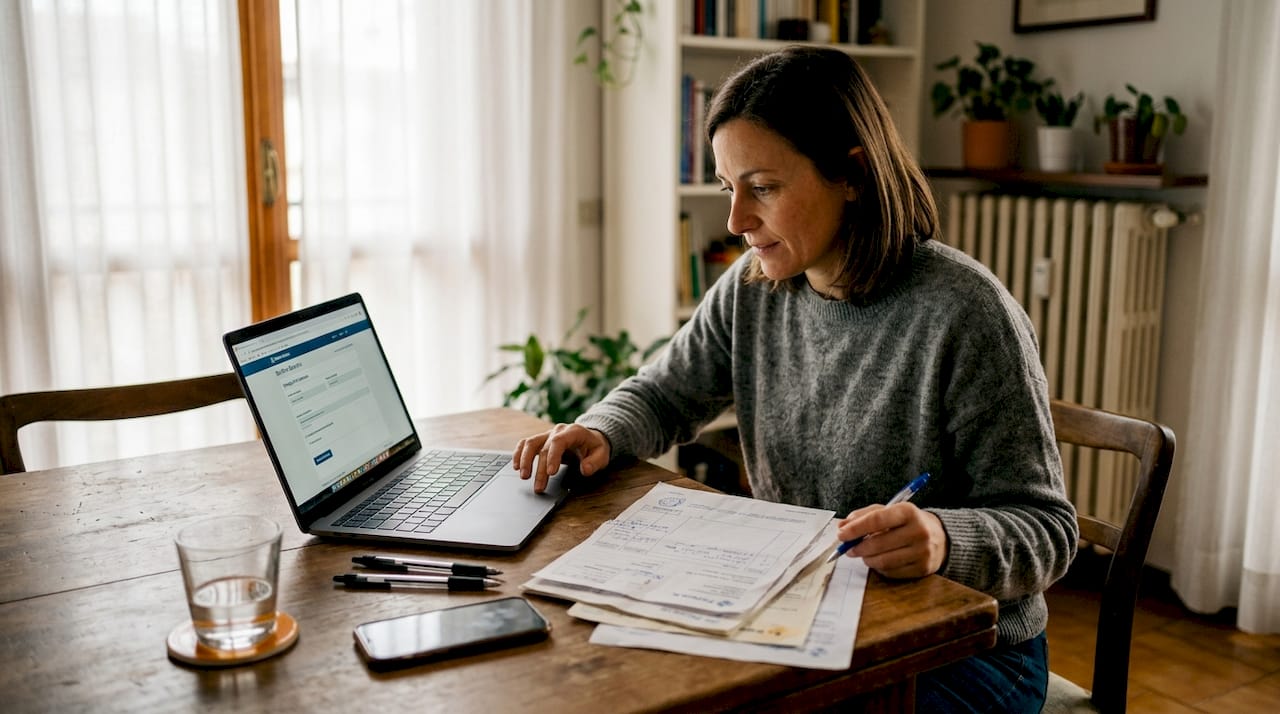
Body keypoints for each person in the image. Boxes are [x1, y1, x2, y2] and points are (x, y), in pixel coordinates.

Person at [512, 46, 1077, 712]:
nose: (737, 221)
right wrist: (601, 429)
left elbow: (1047, 530)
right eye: (729, 188)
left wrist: (943, 539)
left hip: (968, 651)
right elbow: (664, 393)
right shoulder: (755, 289)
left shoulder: (967, 314)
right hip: (811, 616)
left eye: (765, 188)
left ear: (852, 175)